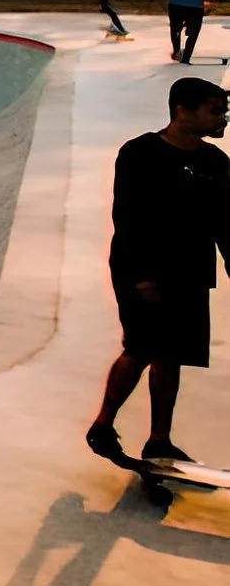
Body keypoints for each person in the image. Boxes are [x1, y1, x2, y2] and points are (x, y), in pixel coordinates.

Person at [87, 76, 230, 467]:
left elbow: (225, 223)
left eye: (224, 112)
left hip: (190, 270)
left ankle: (159, 440)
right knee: (141, 348)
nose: (222, 119)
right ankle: (102, 426)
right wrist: (142, 277)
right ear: (183, 111)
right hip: (141, 270)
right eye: (215, 111)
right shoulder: (140, 153)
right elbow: (128, 217)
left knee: (173, 353)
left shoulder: (216, 162)